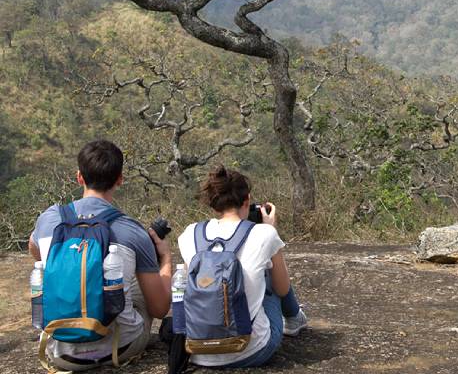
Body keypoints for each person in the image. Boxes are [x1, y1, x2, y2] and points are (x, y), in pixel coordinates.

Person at [28, 140, 172, 371]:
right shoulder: (131, 230)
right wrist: (165, 260)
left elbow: (34, 249)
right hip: (121, 348)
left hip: (62, 354)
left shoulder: (50, 219)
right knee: (138, 280)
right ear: (120, 179)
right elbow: (159, 309)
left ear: (79, 177)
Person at [177, 166, 307, 368]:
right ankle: (294, 319)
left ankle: (294, 318)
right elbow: (281, 289)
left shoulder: (190, 233)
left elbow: (188, 286)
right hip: (250, 350)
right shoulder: (264, 234)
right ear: (247, 200)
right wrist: (271, 230)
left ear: (214, 205)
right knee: (267, 276)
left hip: (196, 351)